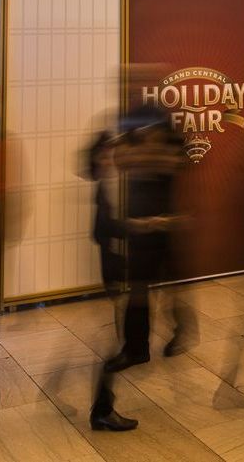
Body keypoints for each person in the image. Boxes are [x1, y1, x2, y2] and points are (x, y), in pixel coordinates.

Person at [103, 101, 196, 373]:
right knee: (139, 292)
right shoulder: (136, 148)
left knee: (173, 290)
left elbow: (183, 174)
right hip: (141, 229)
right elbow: (119, 162)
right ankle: (136, 349)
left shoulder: (172, 146)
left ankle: (182, 329)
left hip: (168, 229)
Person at [82, 128, 138, 433]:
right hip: (113, 268)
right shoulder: (105, 187)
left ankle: (104, 407)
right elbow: (101, 231)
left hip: (114, 266)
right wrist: (131, 227)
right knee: (111, 344)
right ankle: (102, 410)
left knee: (114, 339)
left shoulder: (107, 184)